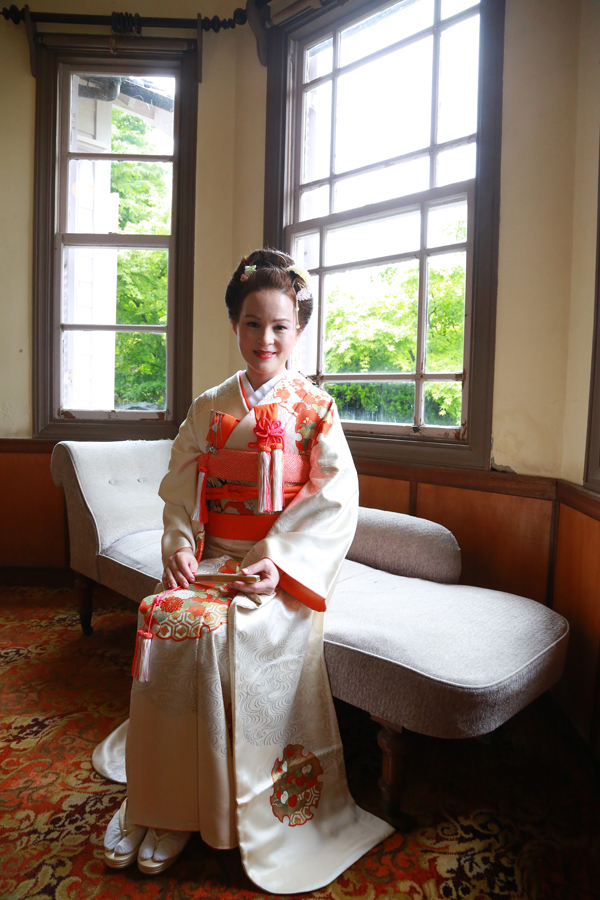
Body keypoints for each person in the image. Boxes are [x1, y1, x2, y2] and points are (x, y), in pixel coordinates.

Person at [101, 248, 394, 892]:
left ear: (299, 330)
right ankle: (161, 802)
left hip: (274, 572)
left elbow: (333, 500)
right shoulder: (209, 406)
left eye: (280, 326)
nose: (266, 338)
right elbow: (181, 489)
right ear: (234, 325)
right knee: (165, 617)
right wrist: (178, 543)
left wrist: (279, 563)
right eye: (252, 323)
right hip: (212, 560)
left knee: (220, 634)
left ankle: (215, 807)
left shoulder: (316, 409)